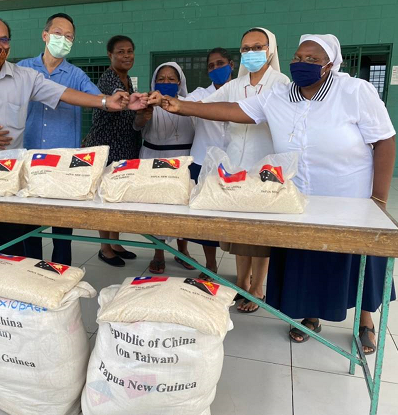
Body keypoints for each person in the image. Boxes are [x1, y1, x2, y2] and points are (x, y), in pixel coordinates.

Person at [152, 34, 396, 353]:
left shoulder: (354, 92)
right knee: (308, 260)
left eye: (312, 59)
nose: (302, 63)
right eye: (299, 57)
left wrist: (378, 199)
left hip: (350, 196)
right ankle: (310, 317)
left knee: (359, 261)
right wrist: (180, 106)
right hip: (299, 197)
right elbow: (232, 110)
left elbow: (385, 140)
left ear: (331, 65)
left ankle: (365, 321)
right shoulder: (278, 96)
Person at [0, 16, 144, 260]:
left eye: (3, 39)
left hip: (10, 173)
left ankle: (11, 287)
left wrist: (107, 101)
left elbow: (65, 93)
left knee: (11, 239)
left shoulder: (25, 77)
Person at [200, 28, 289, 312]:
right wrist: (172, 105)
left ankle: (257, 287)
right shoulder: (235, 84)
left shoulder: (281, 82)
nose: (251, 53)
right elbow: (204, 105)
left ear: (270, 49)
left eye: (257, 47)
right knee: (238, 230)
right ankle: (240, 283)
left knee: (260, 231)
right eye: (246, 49)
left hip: (267, 163)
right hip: (236, 164)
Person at [18, 13, 101, 265]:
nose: (62, 39)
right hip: (29, 157)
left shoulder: (75, 75)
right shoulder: (23, 68)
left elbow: (99, 99)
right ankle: (33, 272)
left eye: (69, 37)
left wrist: (119, 100)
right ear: (45, 35)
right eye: (57, 33)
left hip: (64, 162)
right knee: (29, 224)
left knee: (62, 228)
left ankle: (60, 272)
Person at [83, 35, 142, 267]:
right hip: (108, 147)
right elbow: (119, 96)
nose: (126, 56)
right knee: (105, 199)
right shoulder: (109, 79)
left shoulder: (127, 80)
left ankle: (115, 243)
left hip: (125, 145)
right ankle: (104, 248)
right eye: (120, 52)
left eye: (130, 51)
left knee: (117, 198)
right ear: (110, 55)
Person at [133, 61, 195, 274]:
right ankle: (158, 253)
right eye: (161, 79)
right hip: (154, 158)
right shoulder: (149, 103)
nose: (166, 82)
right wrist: (143, 116)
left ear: (179, 82)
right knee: (157, 208)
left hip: (181, 159)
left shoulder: (190, 103)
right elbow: (137, 126)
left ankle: (183, 250)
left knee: (182, 207)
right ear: (154, 82)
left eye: (171, 79)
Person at [183, 47, 235, 281]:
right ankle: (210, 266)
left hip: (236, 166)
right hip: (203, 162)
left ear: (231, 65)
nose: (216, 68)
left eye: (220, 63)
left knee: (238, 221)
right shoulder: (200, 94)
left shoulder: (243, 92)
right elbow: (183, 104)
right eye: (211, 66)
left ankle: (247, 275)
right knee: (206, 221)